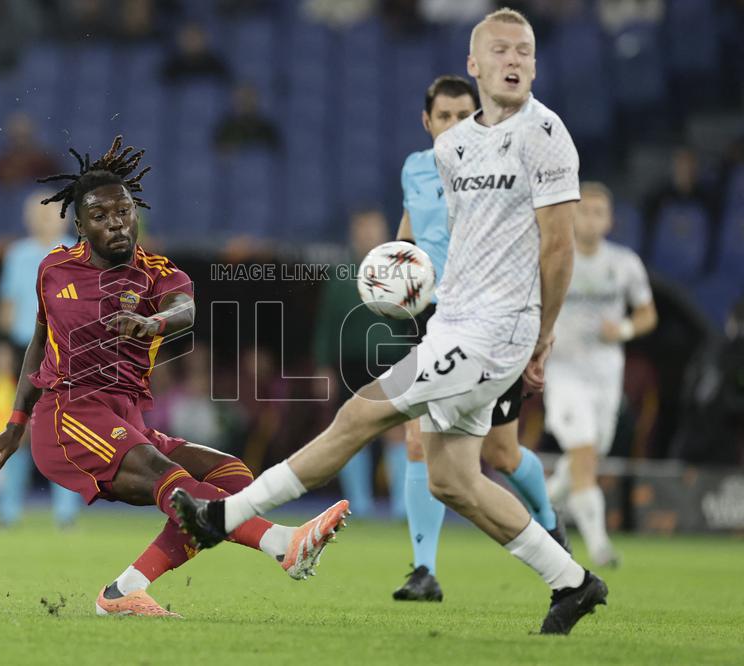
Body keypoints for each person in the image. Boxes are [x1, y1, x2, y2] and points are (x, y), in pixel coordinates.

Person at [173, 9, 609, 635]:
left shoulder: (545, 133)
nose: (514, 59)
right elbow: (463, 242)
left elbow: (558, 248)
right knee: (453, 480)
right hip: (453, 322)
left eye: (525, 51)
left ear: (535, 65)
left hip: (499, 331)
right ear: (474, 64)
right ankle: (572, 581)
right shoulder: (451, 149)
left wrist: (542, 336)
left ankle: (224, 517)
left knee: (360, 412)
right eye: (501, 49)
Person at [0, 136, 348, 618]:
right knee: (170, 482)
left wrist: (154, 323)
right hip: (68, 415)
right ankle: (283, 544)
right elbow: (37, 343)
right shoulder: (53, 270)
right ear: (81, 226)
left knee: (231, 475)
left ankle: (123, 590)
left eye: (124, 211)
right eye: (101, 216)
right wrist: (14, 425)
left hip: (128, 421)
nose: (116, 223)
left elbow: (185, 309)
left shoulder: (157, 273)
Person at [393, 75, 568, 604]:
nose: (451, 125)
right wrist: (391, 272)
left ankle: (550, 525)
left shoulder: (507, 172)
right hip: (430, 319)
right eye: (441, 116)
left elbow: (544, 246)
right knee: (417, 441)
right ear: (428, 122)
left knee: (502, 451)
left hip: (492, 319)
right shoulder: (416, 168)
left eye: (460, 115)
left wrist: (542, 328)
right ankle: (423, 571)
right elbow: (409, 232)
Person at [544, 181, 657, 567]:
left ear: (609, 220)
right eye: (583, 211)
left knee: (590, 454)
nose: (590, 220)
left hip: (607, 376)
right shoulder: (556, 257)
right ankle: (598, 545)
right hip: (563, 372)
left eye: (598, 212)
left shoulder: (624, 264)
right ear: (571, 216)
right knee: (585, 453)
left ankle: (543, 500)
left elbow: (647, 313)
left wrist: (623, 330)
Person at [0, 189, 82, 528]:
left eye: (49, 212)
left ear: (64, 217)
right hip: (27, 351)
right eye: (37, 213)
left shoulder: (79, 254)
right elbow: (7, 308)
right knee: (19, 431)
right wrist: (0, 346)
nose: (43, 219)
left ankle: (65, 512)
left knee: (63, 433)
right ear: (28, 219)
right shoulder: (18, 254)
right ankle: (9, 510)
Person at [313, 209, 408, 518]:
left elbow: (414, 319)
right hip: (352, 362)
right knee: (354, 430)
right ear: (353, 234)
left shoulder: (402, 271)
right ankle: (359, 505)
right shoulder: (340, 275)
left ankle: (402, 506)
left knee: (396, 430)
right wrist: (323, 365)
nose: (368, 235)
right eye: (362, 229)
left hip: (393, 358)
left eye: (374, 229)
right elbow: (327, 323)